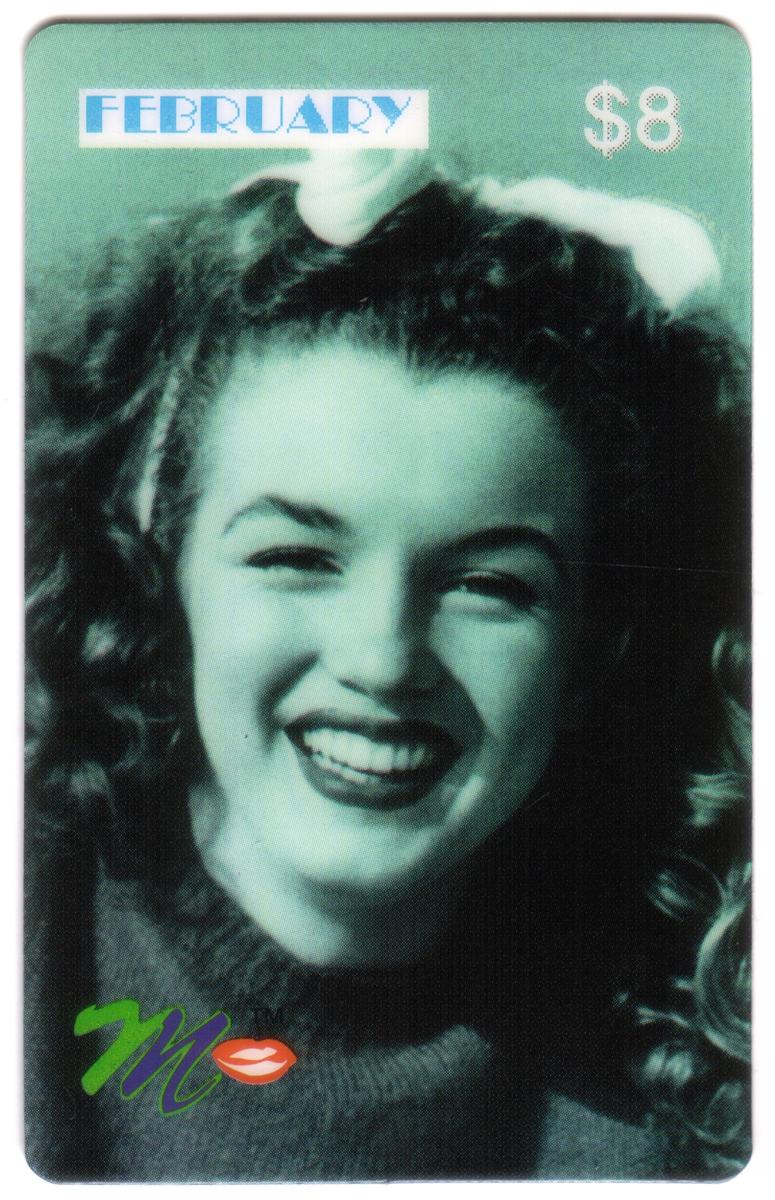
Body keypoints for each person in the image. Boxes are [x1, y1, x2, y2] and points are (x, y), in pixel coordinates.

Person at [25, 150, 750, 1181]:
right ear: (162, 578)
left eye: (488, 584)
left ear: (590, 656)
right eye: (294, 557)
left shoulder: (703, 1061)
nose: (381, 658)